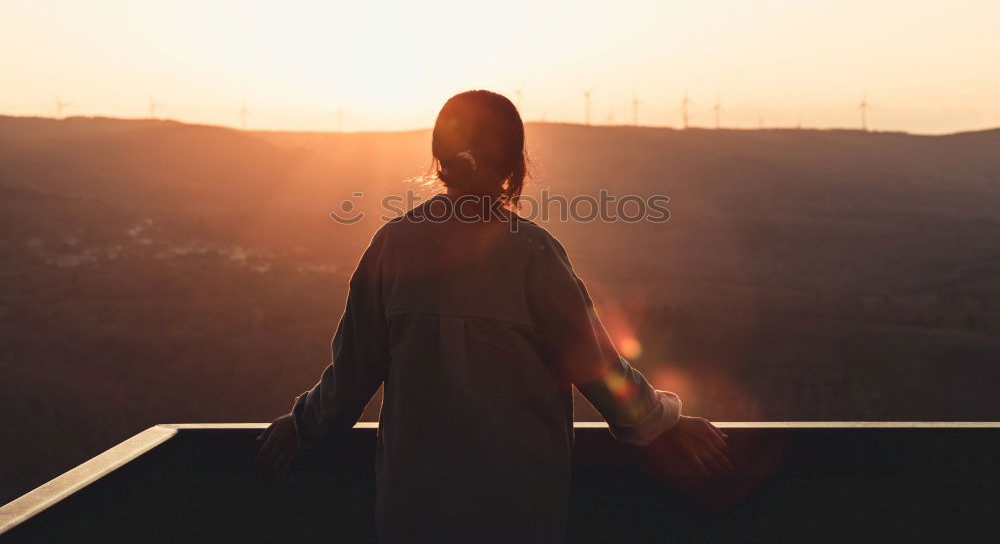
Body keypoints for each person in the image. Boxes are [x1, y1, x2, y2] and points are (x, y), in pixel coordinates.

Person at [257, 90, 731, 543]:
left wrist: (303, 425)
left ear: (439, 160)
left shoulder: (393, 247)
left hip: (414, 512)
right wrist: (663, 422)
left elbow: (350, 378)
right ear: (515, 163)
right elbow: (600, 370)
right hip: (519, 513)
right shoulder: (533, 253)